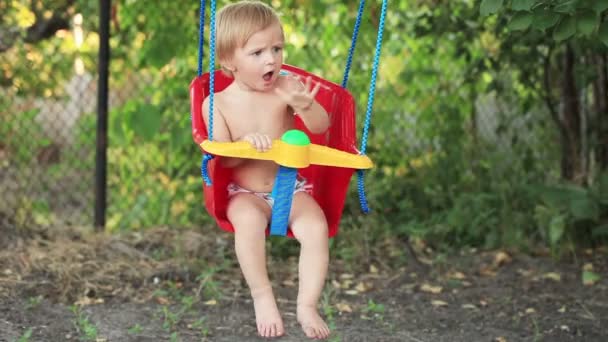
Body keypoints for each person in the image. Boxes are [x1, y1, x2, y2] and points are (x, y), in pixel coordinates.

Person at [201, 1, 331, 339]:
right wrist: (244, 143)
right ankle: (262, 295)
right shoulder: (216, 104)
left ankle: (307, 305)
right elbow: (222, 159)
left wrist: (307, 105)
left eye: (277, 48)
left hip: (290, 186)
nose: (271, 59)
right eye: (257, 52)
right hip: (245, 193)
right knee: (247, 221)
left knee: (316, 227)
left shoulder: (286, 88)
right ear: (229, 60)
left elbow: (321, 129)